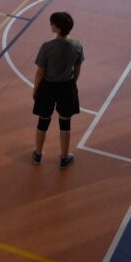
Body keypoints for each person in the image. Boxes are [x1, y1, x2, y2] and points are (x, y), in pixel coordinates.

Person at [31, 11, 84, 168]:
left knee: (43, 120)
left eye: (52, 23)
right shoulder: (77, 45)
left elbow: (40, 71)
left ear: (58, 28)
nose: (51, 25)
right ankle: (64, 157)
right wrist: (72, 84)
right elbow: (77, 69)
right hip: (67, 87)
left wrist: (36, 88)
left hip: (48, 87)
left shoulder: (47, 47)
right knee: (65, 122)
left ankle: (38, 155)